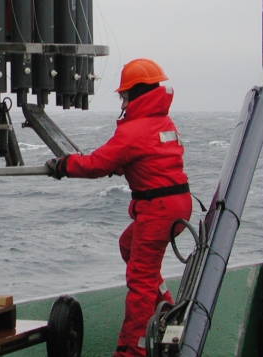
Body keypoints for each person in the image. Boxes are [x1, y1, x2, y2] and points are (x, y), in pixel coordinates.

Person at [46, 58, 192, 357]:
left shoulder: (134, 130)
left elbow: (97, 164)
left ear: (136, 94)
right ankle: (165, 302)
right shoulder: (163, 123)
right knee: (128, 245)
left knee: (139, 282)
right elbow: (150, 160)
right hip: (177, 205)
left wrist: (63, 165)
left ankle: (132, 350)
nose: (122, 101)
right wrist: (125, 166)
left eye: (124, 96)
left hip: (157, 209)